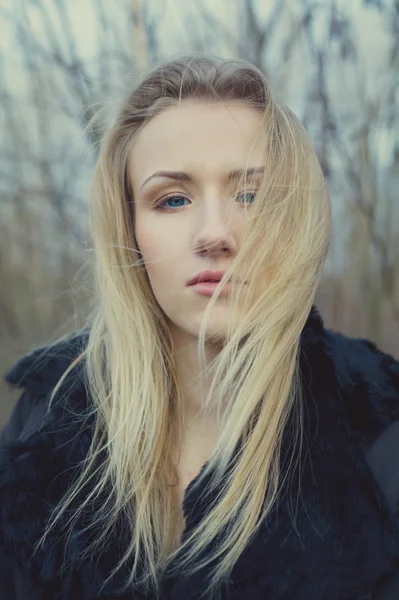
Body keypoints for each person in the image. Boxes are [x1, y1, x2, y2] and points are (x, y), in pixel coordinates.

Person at [0, 53, 398, 600]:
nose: (215, 233)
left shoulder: (379, 431)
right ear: (130, 229)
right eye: (174, 199)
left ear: (296, 218)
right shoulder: (44, 422)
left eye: (251, 195)